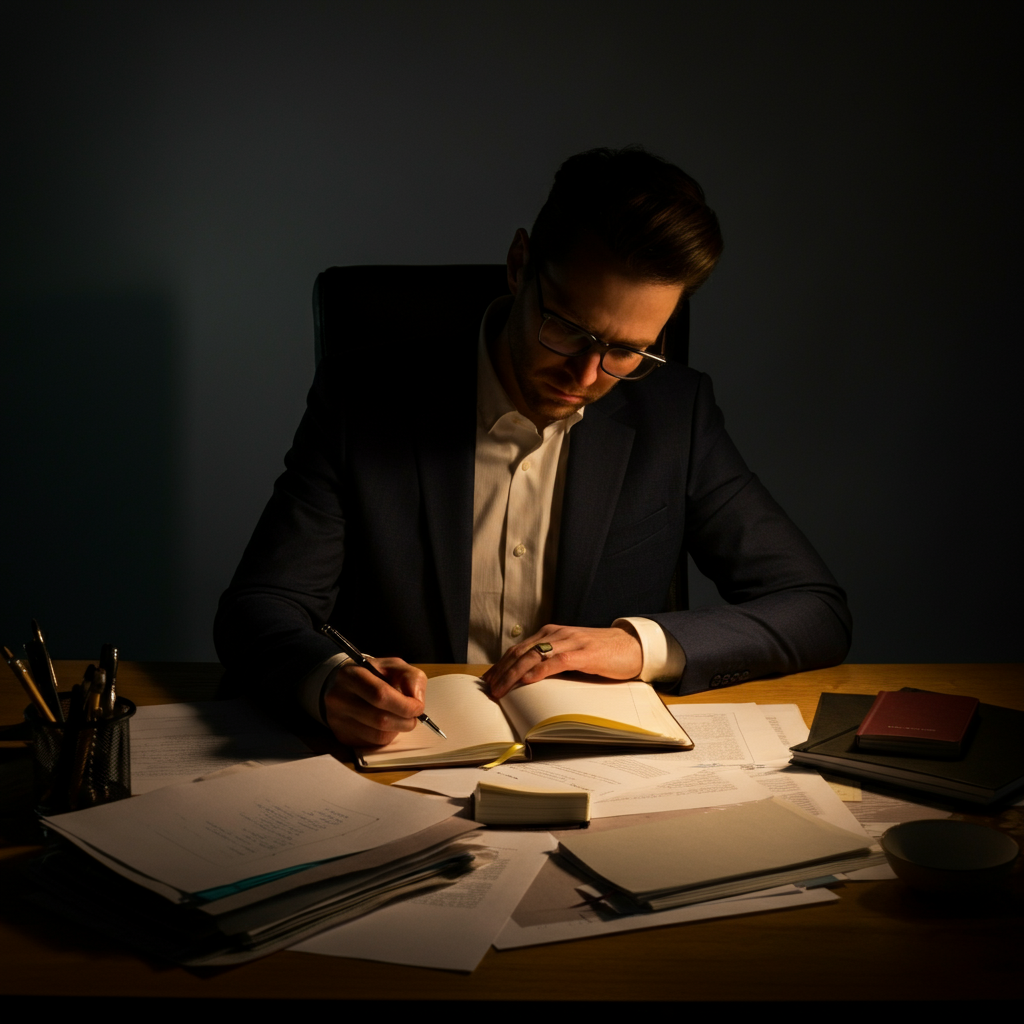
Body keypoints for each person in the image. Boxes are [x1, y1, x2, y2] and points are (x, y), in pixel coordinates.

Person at [214, 147, 851, 747]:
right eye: (569, 330)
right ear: (520, 265)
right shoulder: (363, 400)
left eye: (627, 351)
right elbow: (262, 606)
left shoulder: (675, 415)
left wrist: (634, 646)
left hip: (595, 775)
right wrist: (324, 680)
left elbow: (815, 609)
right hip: (398, 767)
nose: (586, 378)